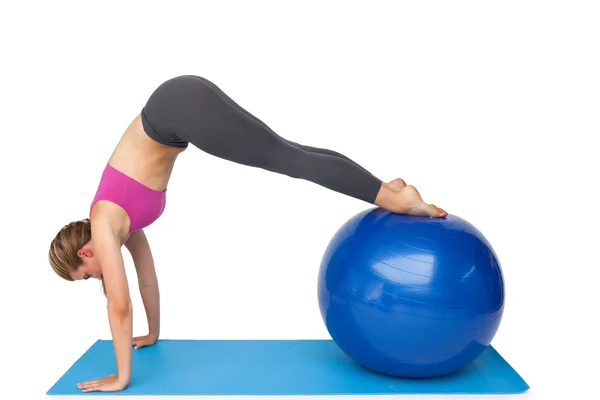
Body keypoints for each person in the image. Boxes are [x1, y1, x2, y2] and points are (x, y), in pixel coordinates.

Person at [48, 75, 447, 393]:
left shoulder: (102, 222)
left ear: (84, 254)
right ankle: (389, 191)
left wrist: (121, 378)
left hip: (178, 108)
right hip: (177, 105)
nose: (95, 278)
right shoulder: (121, 226)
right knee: (290, 152)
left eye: (86, 275)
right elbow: (147, 281)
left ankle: (397, 200)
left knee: (288, 157)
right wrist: (153, 333)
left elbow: (119, 304)